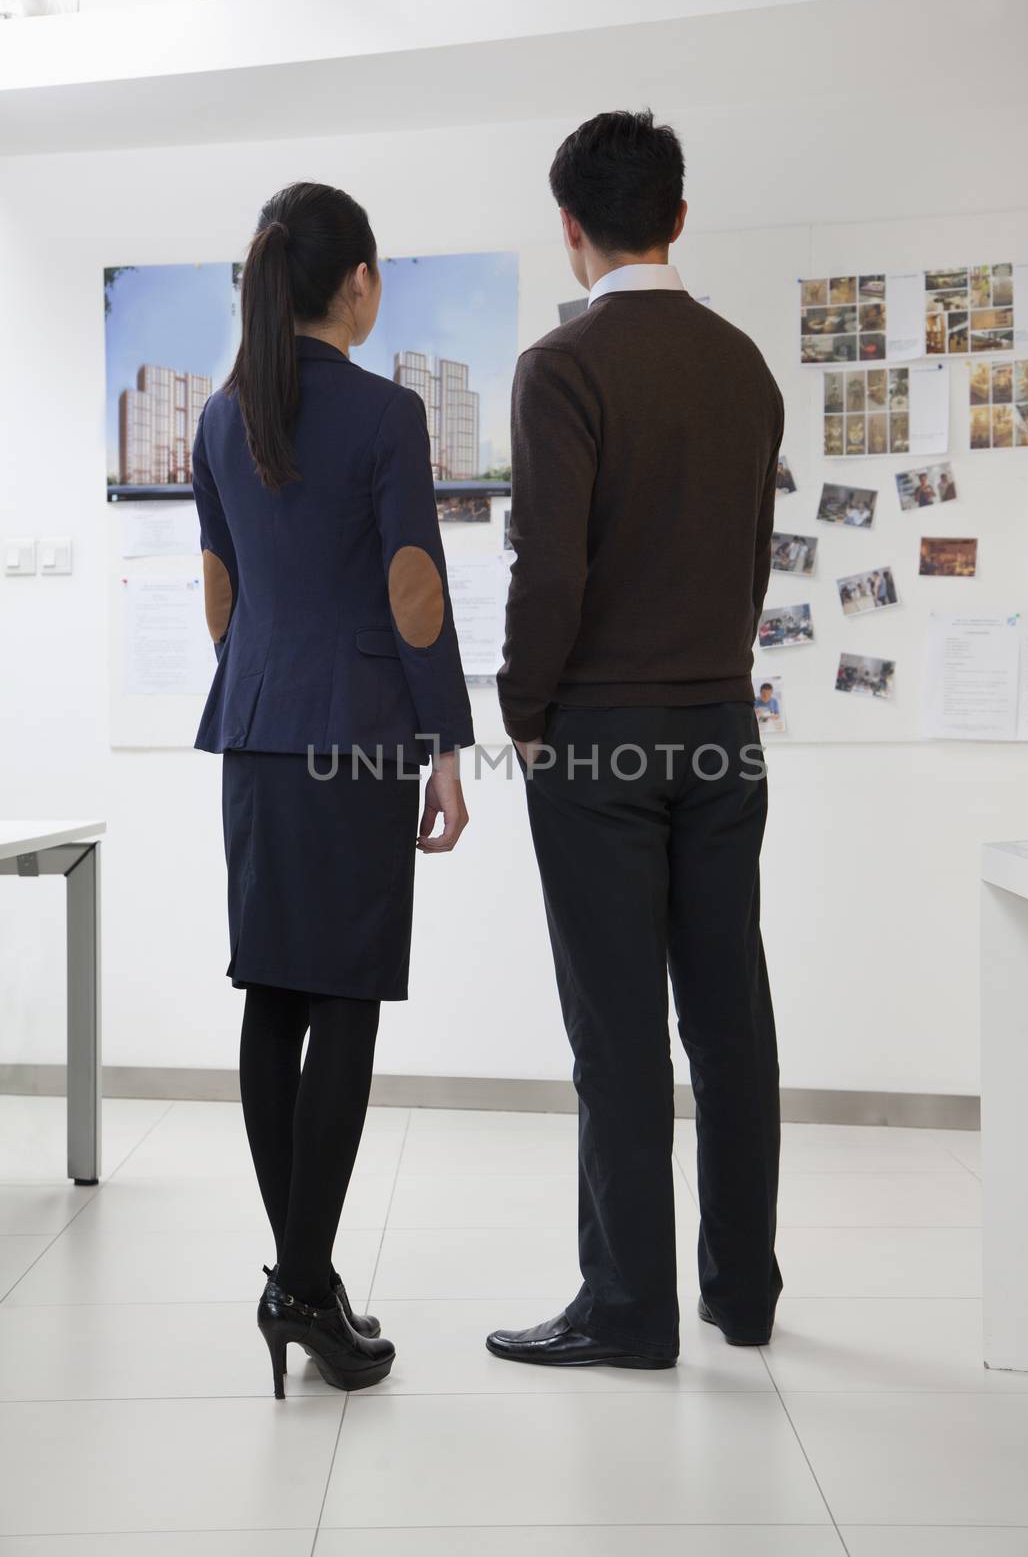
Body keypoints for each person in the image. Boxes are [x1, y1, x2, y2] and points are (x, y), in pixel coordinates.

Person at [489, 111, 785, 1370]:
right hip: (722, 721)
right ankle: (742, 1291)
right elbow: (746, 566)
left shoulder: (564, 367)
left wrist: (523, 713)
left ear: (571, 230)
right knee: (728, 1019)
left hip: (599, 738)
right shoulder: (746, 365)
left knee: (615, 1035)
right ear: (676, 215)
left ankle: (626, 1307)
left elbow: (547, 573)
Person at [192, 181, 473, 1398]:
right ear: (352, 282)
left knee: (273, 997)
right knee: (347, 998)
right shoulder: (385, 414)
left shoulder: (217, 416)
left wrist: (265, 683)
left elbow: (220, 590)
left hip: (255, 732)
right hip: (356, 735)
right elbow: (414, 587)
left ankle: (301, 1273)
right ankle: (300, 1285)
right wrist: (448, 743)